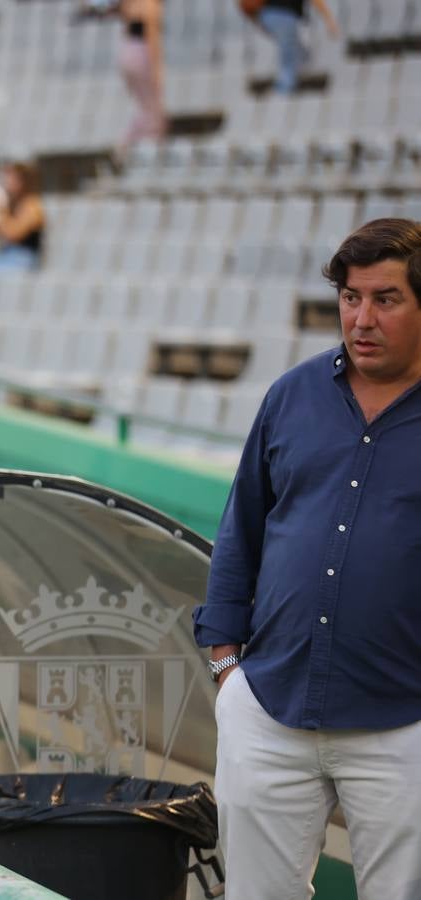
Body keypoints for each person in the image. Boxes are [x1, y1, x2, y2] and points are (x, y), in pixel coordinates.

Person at [193, 218, 421, 899]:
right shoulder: (291, 395)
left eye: (386, 299)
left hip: (402, 719)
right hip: (268, 704)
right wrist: (227, 667)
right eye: (350, 298)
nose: (361, 318)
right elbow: (242, 530)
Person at [252, 0, 339, 95]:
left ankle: (295, 78)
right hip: (282, 15)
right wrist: (329, 20)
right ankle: (284, 88)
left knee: (300, 53)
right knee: (289, 55)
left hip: (269, 15)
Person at [116, 0, 165, 156]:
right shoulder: (150, 3)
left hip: (127, 51)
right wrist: (157, 69)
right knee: (154, 115)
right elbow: (152, 35)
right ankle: (144, 153)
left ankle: (125, 147)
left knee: (144, 109)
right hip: (141, 53)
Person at [0, 161, 45, 271]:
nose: (6, 183)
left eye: (10, 179)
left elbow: (14, 235)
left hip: (24, 258)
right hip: (6, 254)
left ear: (22, 181)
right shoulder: (11, 204)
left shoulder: (33, 206)